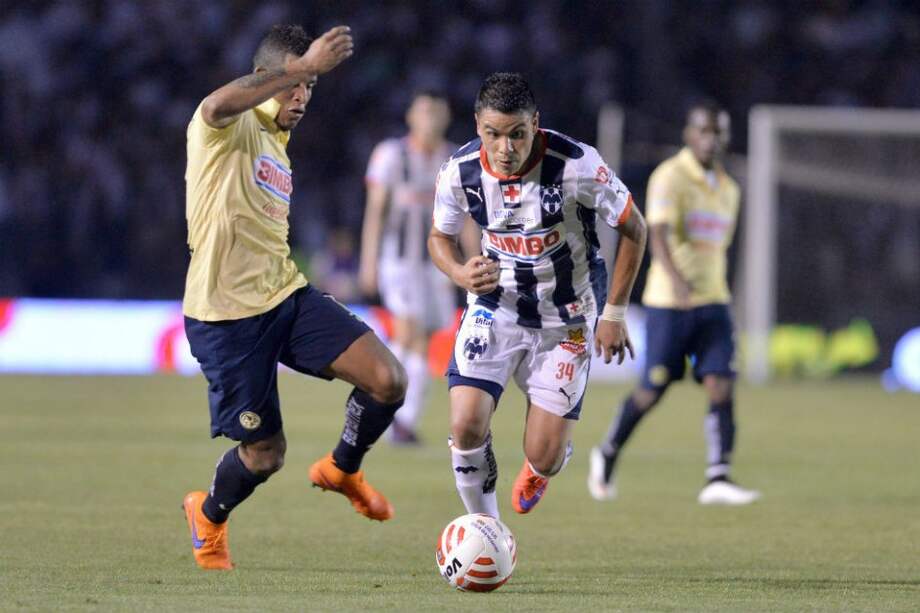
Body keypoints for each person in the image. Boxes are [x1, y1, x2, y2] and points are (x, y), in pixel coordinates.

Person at [181, 24, 408, 571]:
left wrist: (301, 73)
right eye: (294, 86)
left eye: (309, 89)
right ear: (265, 78)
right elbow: (214, 105)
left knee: (389, 381)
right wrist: (304, 66)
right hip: (226, 318)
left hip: (286, 297)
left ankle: (343, 468)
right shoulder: (227, 127)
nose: (302, 97)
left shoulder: (279, 147)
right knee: (265, 456)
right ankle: (208, 514)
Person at [428, 72, 648, 518]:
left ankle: (546, 463)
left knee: (543, 454)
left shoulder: (577, 165)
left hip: (568, 315)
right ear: (477, 127)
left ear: (536, 124)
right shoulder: (459, 172)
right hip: (496, 306)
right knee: (465, 423)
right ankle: (486, 528)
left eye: (518, 135)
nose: (506, 148)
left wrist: (614, 313)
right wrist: (457, 271)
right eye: (494, 134)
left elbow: (634, 227)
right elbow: (438, 236)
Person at [588, 104, 761, 506]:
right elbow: (658, 233)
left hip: (713, 301)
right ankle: (608, 450)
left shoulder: (729, 188)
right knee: (652, 389)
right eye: (703, 130)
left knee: (721, 384)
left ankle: (717, 477)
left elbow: (719, 248)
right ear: (688, 133)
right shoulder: (670, 176)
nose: (711, 138)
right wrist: (678, 279)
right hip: (670, 302)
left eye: (718, 131)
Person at [358, 91, 467, 445]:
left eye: (437, 112)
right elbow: (376, 211)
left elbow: (465, 216)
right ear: (410, 117)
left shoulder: (453, 158)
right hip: (399, 263)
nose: (430, 119)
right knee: (413, 334)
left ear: (446, 117)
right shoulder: (391, 155)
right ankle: (400, 422)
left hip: (436, 266)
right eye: (424, 112)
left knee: (422, 338)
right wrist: (368, 261)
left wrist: (475, 260)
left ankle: (384, 402)